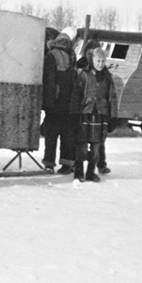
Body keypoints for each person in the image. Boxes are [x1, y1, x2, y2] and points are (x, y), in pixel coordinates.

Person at [70, 47, 118, 182]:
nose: (100, 64)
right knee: (82, 146)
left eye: (103, 61)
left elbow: (112, 98)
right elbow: (75, 96)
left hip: (101, 116)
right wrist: (74, 114)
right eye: (98, 61)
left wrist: (113, 117)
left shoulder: (107, 78)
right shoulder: (84, 75)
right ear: (92, 60)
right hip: (85, 114)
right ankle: (79, 172)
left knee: (96, 147)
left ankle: (91, 173)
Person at [41, 28, 78, 174]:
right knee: (67, 137)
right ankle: (67, 164)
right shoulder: (72, 56)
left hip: (55, 104)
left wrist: (47, 104)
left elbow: (49, 82)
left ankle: (49, 164)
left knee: (51, 136)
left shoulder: (51, 55)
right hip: (69, 104)